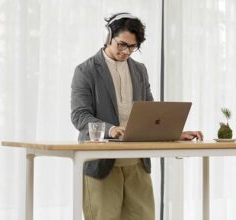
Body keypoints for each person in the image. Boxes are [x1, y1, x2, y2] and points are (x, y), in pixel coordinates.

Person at [70, 12, 203, 220]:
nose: (126, 51)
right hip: (101, 163)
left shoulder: (140, 70)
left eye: (133, 47)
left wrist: (176, 133)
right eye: (122, 45)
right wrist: (111, 129)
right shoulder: (86, 70)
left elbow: (151, 114)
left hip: (137, 162)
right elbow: (79, 116)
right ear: (108, 37)